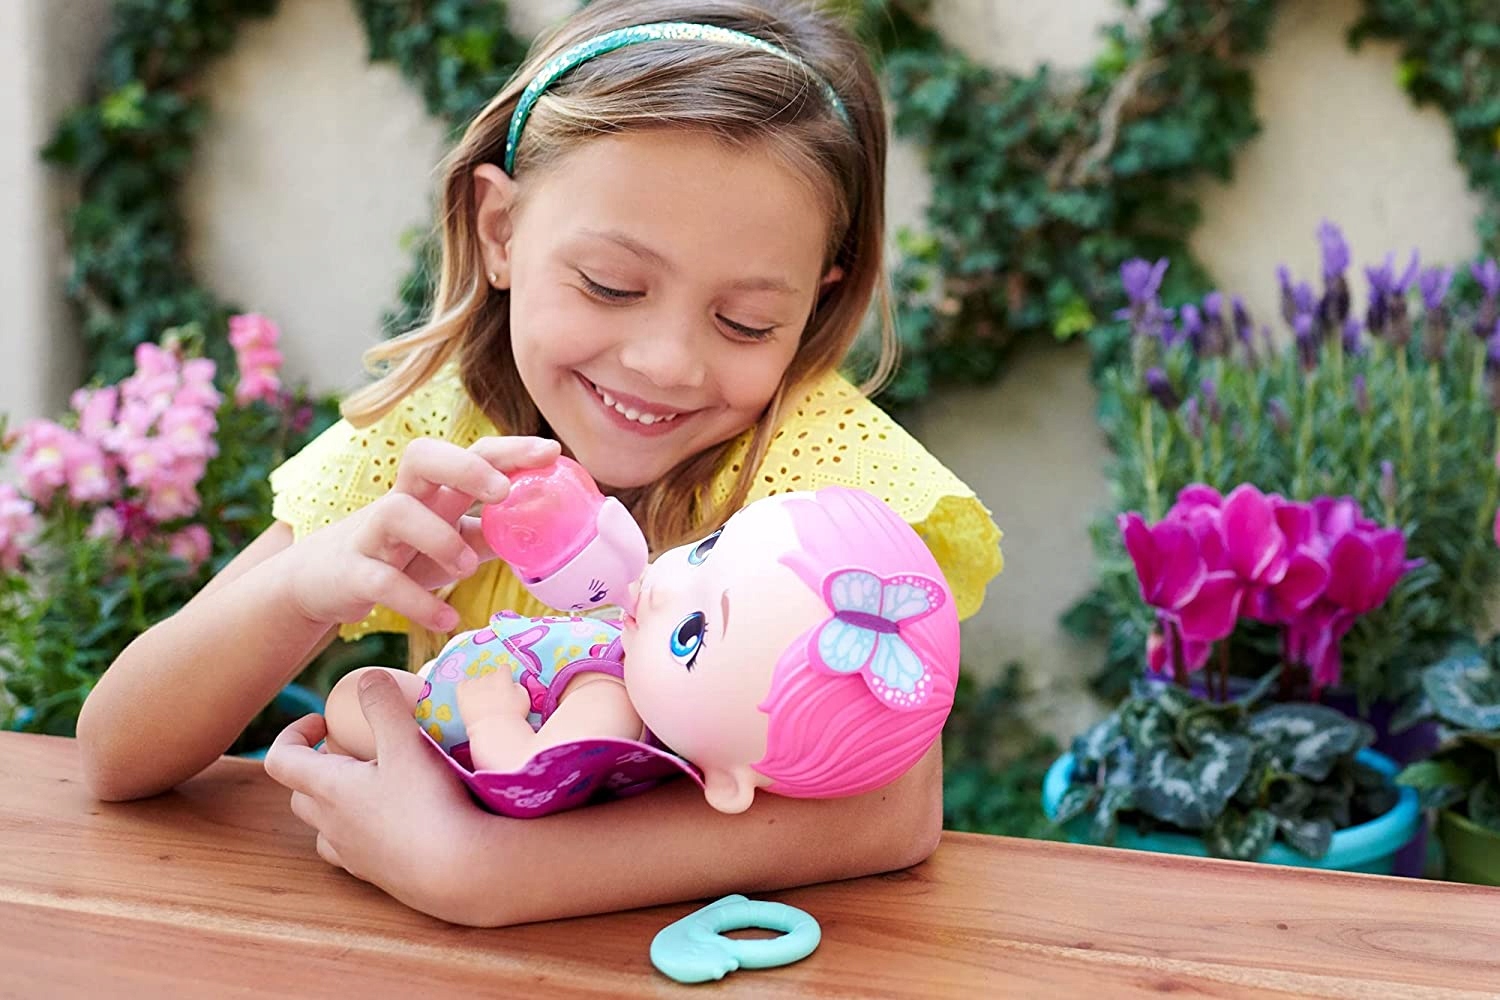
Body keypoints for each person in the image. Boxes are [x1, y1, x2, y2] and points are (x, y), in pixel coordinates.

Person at [76, 0, 1004, 927]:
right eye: (611, 284)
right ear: (501, 229)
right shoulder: (435, 438)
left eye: (745, 322)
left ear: (818, 300)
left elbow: (894, 812)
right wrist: (299, 590)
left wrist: (488, 872)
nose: (666, 362)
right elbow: (117, 752)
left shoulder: (826, 485)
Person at [322, 485, 961, 817]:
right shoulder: (633, 652)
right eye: (708, 549)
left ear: (727, 780)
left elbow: (522, 772)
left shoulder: (612, 704)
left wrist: (491, 718)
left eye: (691, 634)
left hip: (441, 725)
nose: (664, 586)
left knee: (355, 699)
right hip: (458, 681)